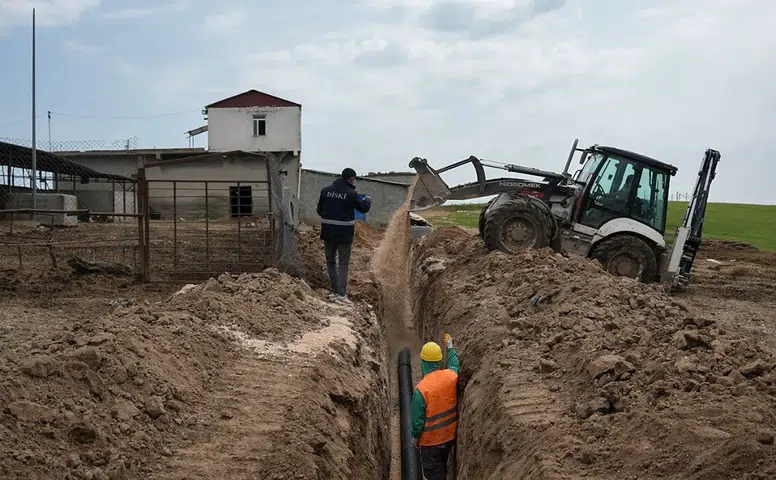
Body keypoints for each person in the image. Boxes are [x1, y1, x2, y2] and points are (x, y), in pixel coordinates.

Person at [316, 167, 371, 304]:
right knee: (343, 263)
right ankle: (341, 294)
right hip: (344, 235)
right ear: (351, 179)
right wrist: (368, 199)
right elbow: (364, 208)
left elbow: (319, 210)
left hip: (328, 233)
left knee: (330, 262)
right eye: (354, 179)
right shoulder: (351, 193)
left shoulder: (325, 191)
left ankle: (335, 291)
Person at [411, 333, 459, 480]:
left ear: (423, 362)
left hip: (430, 444)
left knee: (434, 475)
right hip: (449, 438)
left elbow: (417, 422)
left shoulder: (421, 390)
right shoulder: (450, 377)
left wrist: (415, 438)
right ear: (439, 361)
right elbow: (454, 364)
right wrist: (450, 347)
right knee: (442, 467)